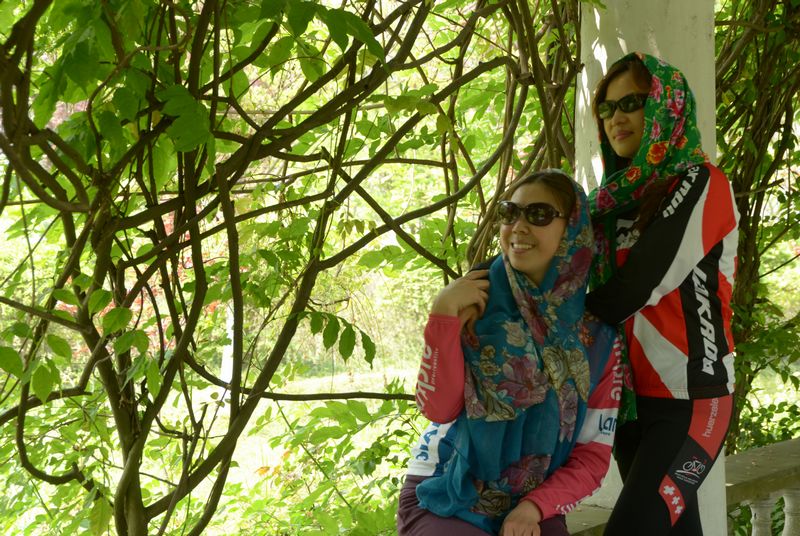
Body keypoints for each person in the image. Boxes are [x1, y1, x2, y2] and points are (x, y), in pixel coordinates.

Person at [397, 169, 622, 536]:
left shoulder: (597, 341)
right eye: (509, 213)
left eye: (538, 215)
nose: (518, 226)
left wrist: (535, 507)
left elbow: (592, 457)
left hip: (535, 501)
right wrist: (442, 315)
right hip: (446, 488)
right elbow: (438, 409)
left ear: (573, 231)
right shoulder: (473, 301)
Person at [585, 52, 739, 535]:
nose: (617, 118)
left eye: (632, 102)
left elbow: (637, 284)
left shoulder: (702, 183)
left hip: (691, 400)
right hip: (630, 400)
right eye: (607, 108)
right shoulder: (612, 201)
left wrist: (549, 319)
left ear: (664, 106)